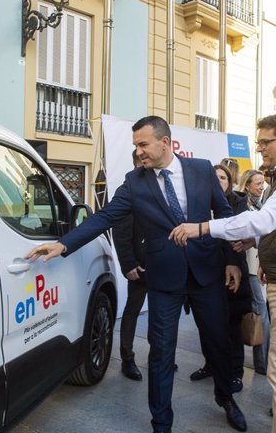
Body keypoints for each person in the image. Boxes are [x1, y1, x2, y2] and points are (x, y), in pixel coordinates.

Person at [26, 116, 247, 433]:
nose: (139, 151)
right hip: (164, 279)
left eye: (143, 144)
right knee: (160, 352)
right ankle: (161, 422)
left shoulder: (201, 170)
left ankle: (226, 397)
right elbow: (104, 217)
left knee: (218, 343)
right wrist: (63, 244)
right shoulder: (134, 182)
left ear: (165, 142)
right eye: (135, 146)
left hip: (206, 273)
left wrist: (232, 261)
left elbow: (224, 216)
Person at [169, 113, 276, 433]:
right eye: (258, 143)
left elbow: (264, 219)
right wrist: (256, 240)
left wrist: (203, 227)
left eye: (265, 142)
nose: (260, 149)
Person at [189, 165, 252, 393]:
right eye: (213, 177)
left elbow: (235, 237)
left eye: (223, 177)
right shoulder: (198, 203)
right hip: (205, 272)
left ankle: (235, 372)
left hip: (231, 271)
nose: (218, 181)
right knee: (206, 324)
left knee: (232, 325)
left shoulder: (237, 203)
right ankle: (211, 364)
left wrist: (229, 260)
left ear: (230, 181)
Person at [112, 152, 147, 382]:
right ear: (135, 163)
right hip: (139, 267)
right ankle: (127, 359)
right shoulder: (127, 189)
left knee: (162, 314)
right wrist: (128, 264)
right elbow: (120, 231)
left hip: (162, 265)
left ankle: (161, 356)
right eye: (142, 162)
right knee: (132, 312)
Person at [238, 169, 270, 375]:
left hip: (260, 266)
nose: (261, 186)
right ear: (247, 185)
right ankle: (262, 362)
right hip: (250, 268)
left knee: (262, 313)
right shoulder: (244, 207)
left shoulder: (262, 205)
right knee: (261, 315)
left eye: (262, 183)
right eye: (257, 183)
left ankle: (264, 359)